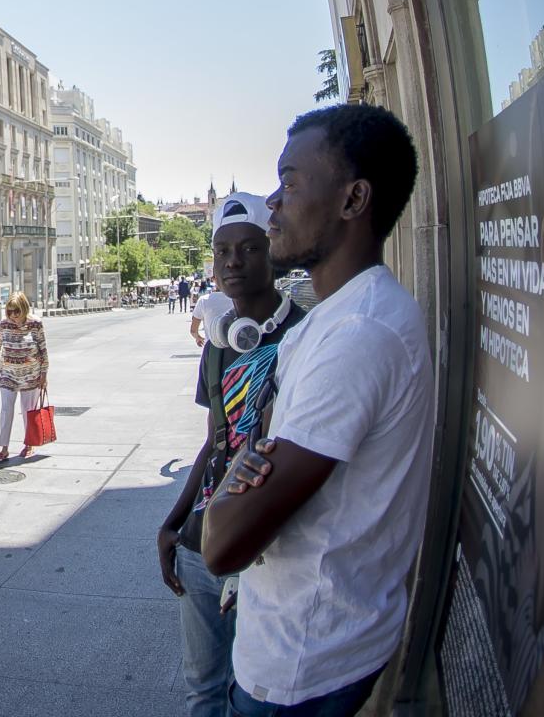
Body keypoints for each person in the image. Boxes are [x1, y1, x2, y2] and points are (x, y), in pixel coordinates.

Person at [202, 105, 430, 716]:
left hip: (301, 664)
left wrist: (234, 482)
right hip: (297, 640)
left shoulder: (360, 333)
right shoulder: (334, 318)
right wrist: (243, 470)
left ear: (353, 199)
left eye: (290, 182)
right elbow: (252, 452)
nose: (273, 202)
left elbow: (222, 546)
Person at [156, 193, 306, 717]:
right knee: (202, 687)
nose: (232, 263)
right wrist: (173, 524)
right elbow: (214, 440)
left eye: (248, 248)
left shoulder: (306, 337)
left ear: (273, 252)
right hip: (202, 544)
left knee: (253, 691)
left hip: (269, 553)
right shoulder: (218, 345)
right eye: (222, 252)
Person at [0, 292, 49, 460]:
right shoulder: (4, 325)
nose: (13, 315)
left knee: (27, 411)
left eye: (17, 311)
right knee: (6, 410)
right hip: (8, 375)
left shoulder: (35, 323)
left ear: (24, 308)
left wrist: (44, 375)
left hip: (30, 375)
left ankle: (29, 444)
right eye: (9, 311)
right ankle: (4, 448)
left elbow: (43, 350)